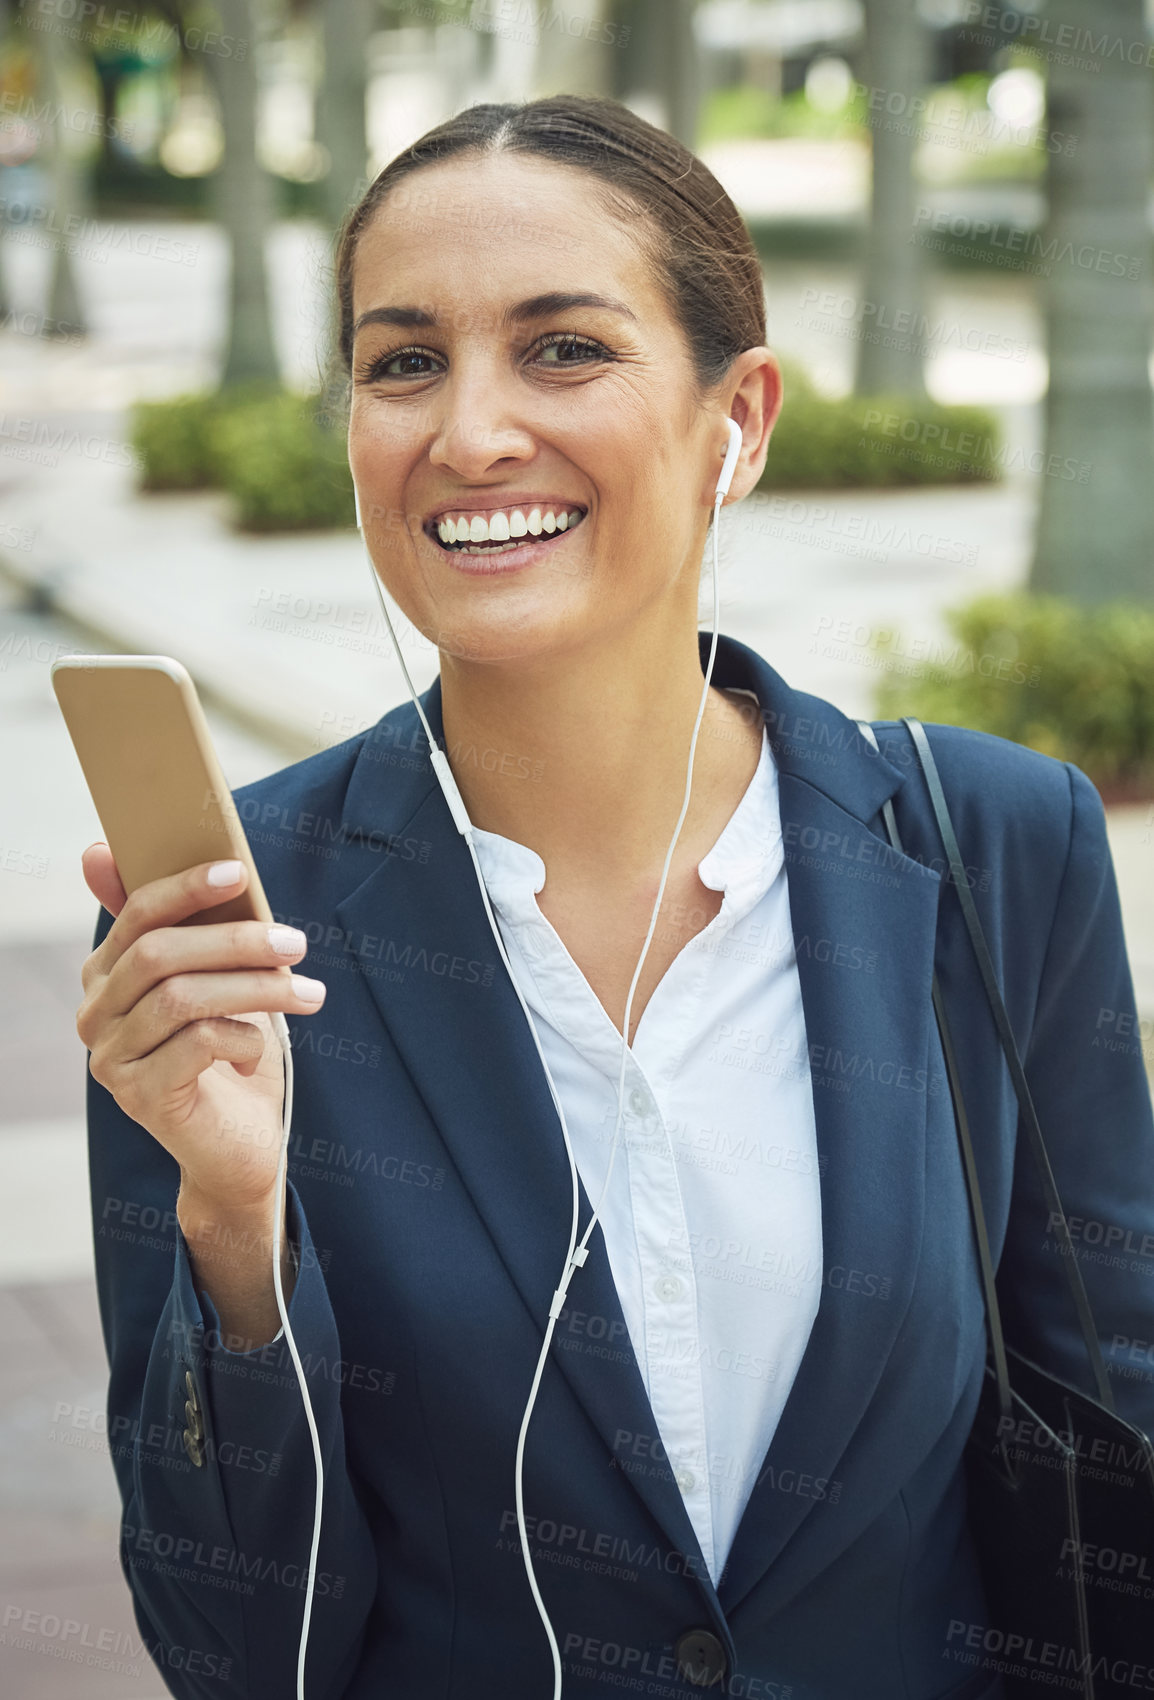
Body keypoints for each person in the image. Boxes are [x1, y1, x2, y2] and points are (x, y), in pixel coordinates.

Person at [77, 94, 1154, 1700]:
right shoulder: (228, 922)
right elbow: (235, 1651)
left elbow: (1110, 1440)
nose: (472, 432)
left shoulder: (993, 845)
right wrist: (238, 1231)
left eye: (564, 348)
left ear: (743, 417)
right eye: (402, 361)